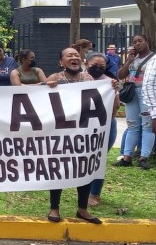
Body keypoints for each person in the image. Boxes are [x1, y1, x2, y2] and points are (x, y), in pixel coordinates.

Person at [44, 47, 116, 225]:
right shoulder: (54, 78)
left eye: (76, 55)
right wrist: (47, 87)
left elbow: (110, 108)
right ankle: (54, 207)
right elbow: (41, 102)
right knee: (58, 167)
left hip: (84, 133)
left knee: (85, 167)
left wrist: (112, 90)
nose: (74, 57)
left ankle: (82, 209)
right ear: (62, 61)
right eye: (69, 55)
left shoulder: (90, 79)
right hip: (61, 133)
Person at [114, 34, 154, 169]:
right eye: (134, 42)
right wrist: (129, 61)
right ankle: (127, 157)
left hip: (147, 94)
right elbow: (120, 75)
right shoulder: (133, 58)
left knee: (147, 125)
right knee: (132, 125)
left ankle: (144, 158)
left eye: (140, 41)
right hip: (132, 95)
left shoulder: (153, 58)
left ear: (146, 42)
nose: (137, 44)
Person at [86, 52, 120, 207]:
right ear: (86, 64)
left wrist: (107, 123)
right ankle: (83, 189)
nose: (98, 68)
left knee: (99, 158)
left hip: (105, 125)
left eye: (101, 66)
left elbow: (116, 105)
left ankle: (94, 193)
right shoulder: (78, 79)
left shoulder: (110, 83)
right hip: (83, 125)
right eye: (94, 65)